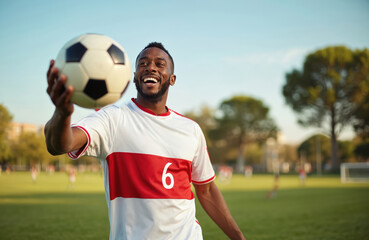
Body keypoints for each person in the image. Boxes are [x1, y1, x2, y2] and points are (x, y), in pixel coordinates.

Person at [45, 42, 245, 240]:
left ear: (172, 79)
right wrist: (62, 114)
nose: (150, 67)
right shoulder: (112, 119)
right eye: (143, 63)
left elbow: (207, 190)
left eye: (159, 64)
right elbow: (60, 145)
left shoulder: (190, 129)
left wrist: (238, 237)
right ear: (134, 78)